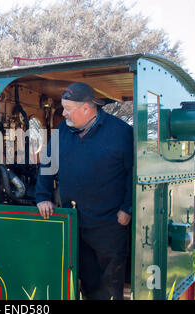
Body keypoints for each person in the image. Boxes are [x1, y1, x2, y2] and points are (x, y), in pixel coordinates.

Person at [35, 82, 133, 300]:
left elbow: (132, 173)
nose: (64, 112)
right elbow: (48, 164)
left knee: (110, 283)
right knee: (87, 279)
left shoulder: (121, 132)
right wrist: (42, 196)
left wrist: (127, 208)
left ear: (87, 108)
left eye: (68, 108)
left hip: (109, 223)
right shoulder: (62, 130)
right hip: (75, 222)